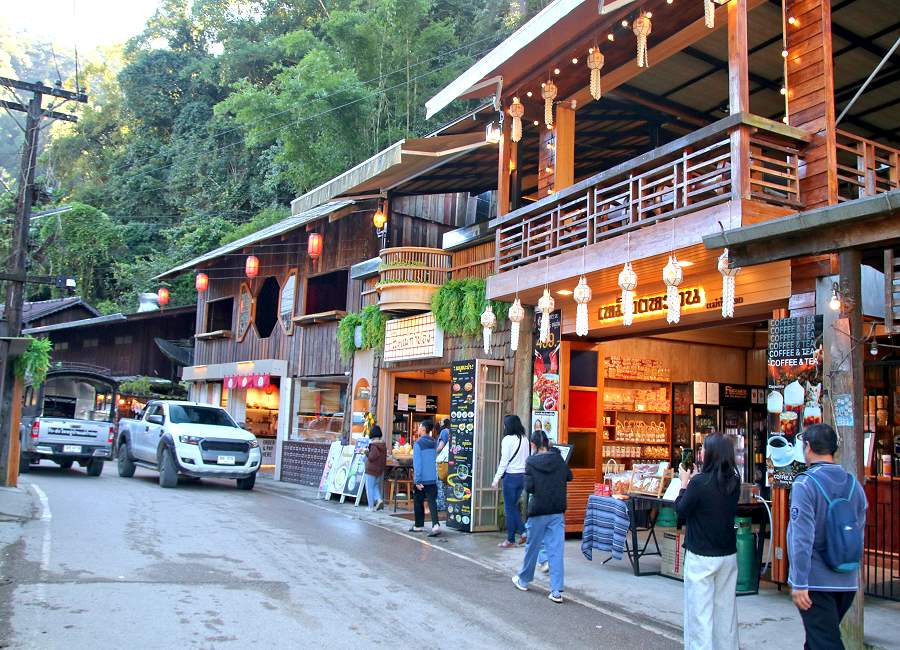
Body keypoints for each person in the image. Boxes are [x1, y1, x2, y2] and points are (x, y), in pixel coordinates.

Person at [788, 423, 867, 650]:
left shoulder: (805, 483)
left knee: (825, 642)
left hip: (816, 582)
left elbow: (801, 537)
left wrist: (800, 581)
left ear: (808, 447)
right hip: (847, 580)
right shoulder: (853, 484)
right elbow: (858, 528)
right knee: (817, 640)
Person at [675, 433, 741, 650]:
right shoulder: (734, 481)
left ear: (711, 453)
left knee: (699, 615)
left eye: (703, 448)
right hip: (727, 554)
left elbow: (681, 510)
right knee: (725, 614)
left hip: (701, 555)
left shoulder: (699, 483)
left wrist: (684, 484)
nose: (700, 452)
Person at [511, 430, 572, 603]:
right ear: (548, 443)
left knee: (533, 547)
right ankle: (557, 591)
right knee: (556, 550)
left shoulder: (531, 461)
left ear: (533, 445)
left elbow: (529, 488)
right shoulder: (558, 459)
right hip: (557, 510)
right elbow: (569, 476)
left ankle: (523, 580)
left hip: (538, 510)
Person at [492, 414, 530, 548]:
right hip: (522, 477)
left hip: (511, 478)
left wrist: (496, 479)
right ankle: (512, 538)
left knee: (510, 508)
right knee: (513, 507)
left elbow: (504, 461)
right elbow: (527, 459)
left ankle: (521, 532)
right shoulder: (524, 439)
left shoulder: (507, 439)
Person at [411, 419, 440, 537]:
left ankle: (418, 525)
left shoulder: (418, 443)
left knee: (418, 501)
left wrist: (417, 480)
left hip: (422, 479)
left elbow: (417, 463)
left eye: (419, 426)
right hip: (433, 477)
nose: (418, 428)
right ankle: (436, 525)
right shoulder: (434, 442)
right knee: (432, 502)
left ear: (423, 429)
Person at [364, 425, 386, 511]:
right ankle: (379, 500)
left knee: (369, 487)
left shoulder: (373, 445)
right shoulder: (383, 445)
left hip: (371, 470)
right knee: (375, 486)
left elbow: (372, 457)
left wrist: (366, 452)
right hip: (379, 470)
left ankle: (370, 507)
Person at [436, 418, 450, 512]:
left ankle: (441, 505)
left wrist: (433, 452)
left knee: (440, 482)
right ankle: (446, 504)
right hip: (449, 461)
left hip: (442, 461)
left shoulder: (444, 432)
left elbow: (441, 446)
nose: (439, 422)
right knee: (446, 483)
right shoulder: (450, 431)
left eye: (441, 421)